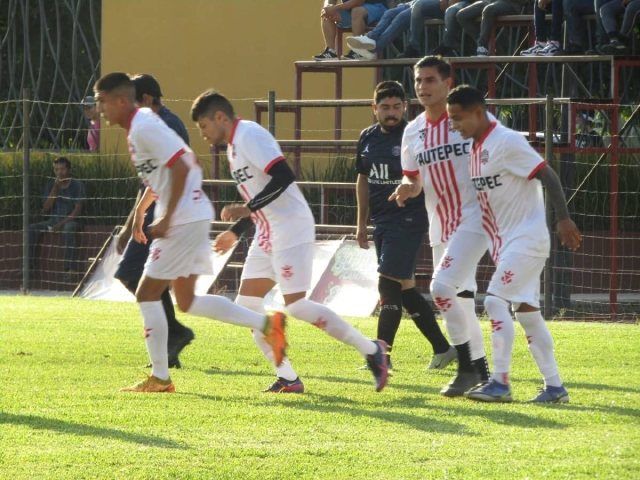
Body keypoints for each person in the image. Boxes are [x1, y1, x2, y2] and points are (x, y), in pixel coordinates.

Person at [93, 72, 288, 393]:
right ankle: (268, 324)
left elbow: (183, 167)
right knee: (186, 301)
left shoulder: (142, 127)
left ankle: (160, 378)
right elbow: (179, 164)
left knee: (146, 292)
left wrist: (168, 217)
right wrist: (143, 211)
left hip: (183, 218)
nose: (99, 108)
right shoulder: (142, 123)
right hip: (192, 213)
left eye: (101, 101)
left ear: (120, 101)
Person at [191, 89, 389, 393]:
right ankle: (288, 378)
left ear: (220, 117)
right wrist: (237, 230)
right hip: (267, 231)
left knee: (295, 307)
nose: (202, 134)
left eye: (203, 126)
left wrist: (248, 209)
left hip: (291, 227)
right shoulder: (232, 148)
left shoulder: (249, 135)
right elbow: (259, 195)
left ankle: (372, 351)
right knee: (247, 305)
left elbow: (284, 176)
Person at [446, 84, 583, 403]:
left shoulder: (505, 141)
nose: (454, 125)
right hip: (509, 244)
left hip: (527, 240)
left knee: (494, 301)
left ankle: (500, 383)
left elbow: (546, 173)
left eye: (458, 118)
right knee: (528, 314)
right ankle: (555, 387)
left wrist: (563, 218)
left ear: (478, 113)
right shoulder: (476, 147)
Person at [389, 56, 491, 397]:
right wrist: (408, 186)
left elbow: (498, 153)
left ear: (448, 84)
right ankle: (482, 371)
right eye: (418, 81)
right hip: (440, 225)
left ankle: (466, 369)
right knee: (459, 299)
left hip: (477, 216)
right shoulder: (413, 129)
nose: (422, 87)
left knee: (441, 289)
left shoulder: (468, 119)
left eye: (430, 80)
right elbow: (414, 177)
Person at [356, 80, 455, 371]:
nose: (391, 112)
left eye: (396, 106)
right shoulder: (366, 138)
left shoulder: (414, 136)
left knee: (387, 282)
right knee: (405, 288)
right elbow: (362, 178)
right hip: (382, 221)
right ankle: (442, 348)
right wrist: (361, 222)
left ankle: (381, 357)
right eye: (384, 107)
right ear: (375, 109)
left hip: (409, 218)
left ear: (404, 107)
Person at [115, 73, 194, 370]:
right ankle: (173, 336)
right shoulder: (149, 124)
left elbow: (178, 172)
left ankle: (173, 336)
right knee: (135, 277)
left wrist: (166, 218)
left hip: (167, 215)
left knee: (138, 277)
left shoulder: (167, 125)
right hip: (154, 214)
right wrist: (130, 224)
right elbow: (148, 182)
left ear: (147, 100)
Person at [28, 156, 86, 280]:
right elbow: (47, 207)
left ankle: (70, 269)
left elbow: (77, 211)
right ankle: (28, 268)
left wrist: (60, 225)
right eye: (57, 169)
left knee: (68, 229)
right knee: (30, 229)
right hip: (53, 220)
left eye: (63, 169)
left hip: (72, 221)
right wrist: (55, 187)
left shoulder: (78, 185)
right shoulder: (51, 185)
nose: (60, 172)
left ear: (68, 170)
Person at [313, 0, 388, 60]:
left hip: (378, 7)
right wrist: (327, 7)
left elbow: (358, 1)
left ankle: (358, 51)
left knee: (357, 11)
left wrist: (335, 8)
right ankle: (330, 51)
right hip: (352, 9)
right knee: (326, 13)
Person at [346, 1, 416, 60]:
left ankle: (370, 50)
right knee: (390, 13)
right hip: (413, 3)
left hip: (423, 4)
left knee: (401, 17)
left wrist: (336, 8)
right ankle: (370, 38)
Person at [456, 0, 527, 57]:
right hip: (490, 2)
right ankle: (484, 44)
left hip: (511, 4)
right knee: (461, 15)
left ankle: (483, 46)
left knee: (489, 10)